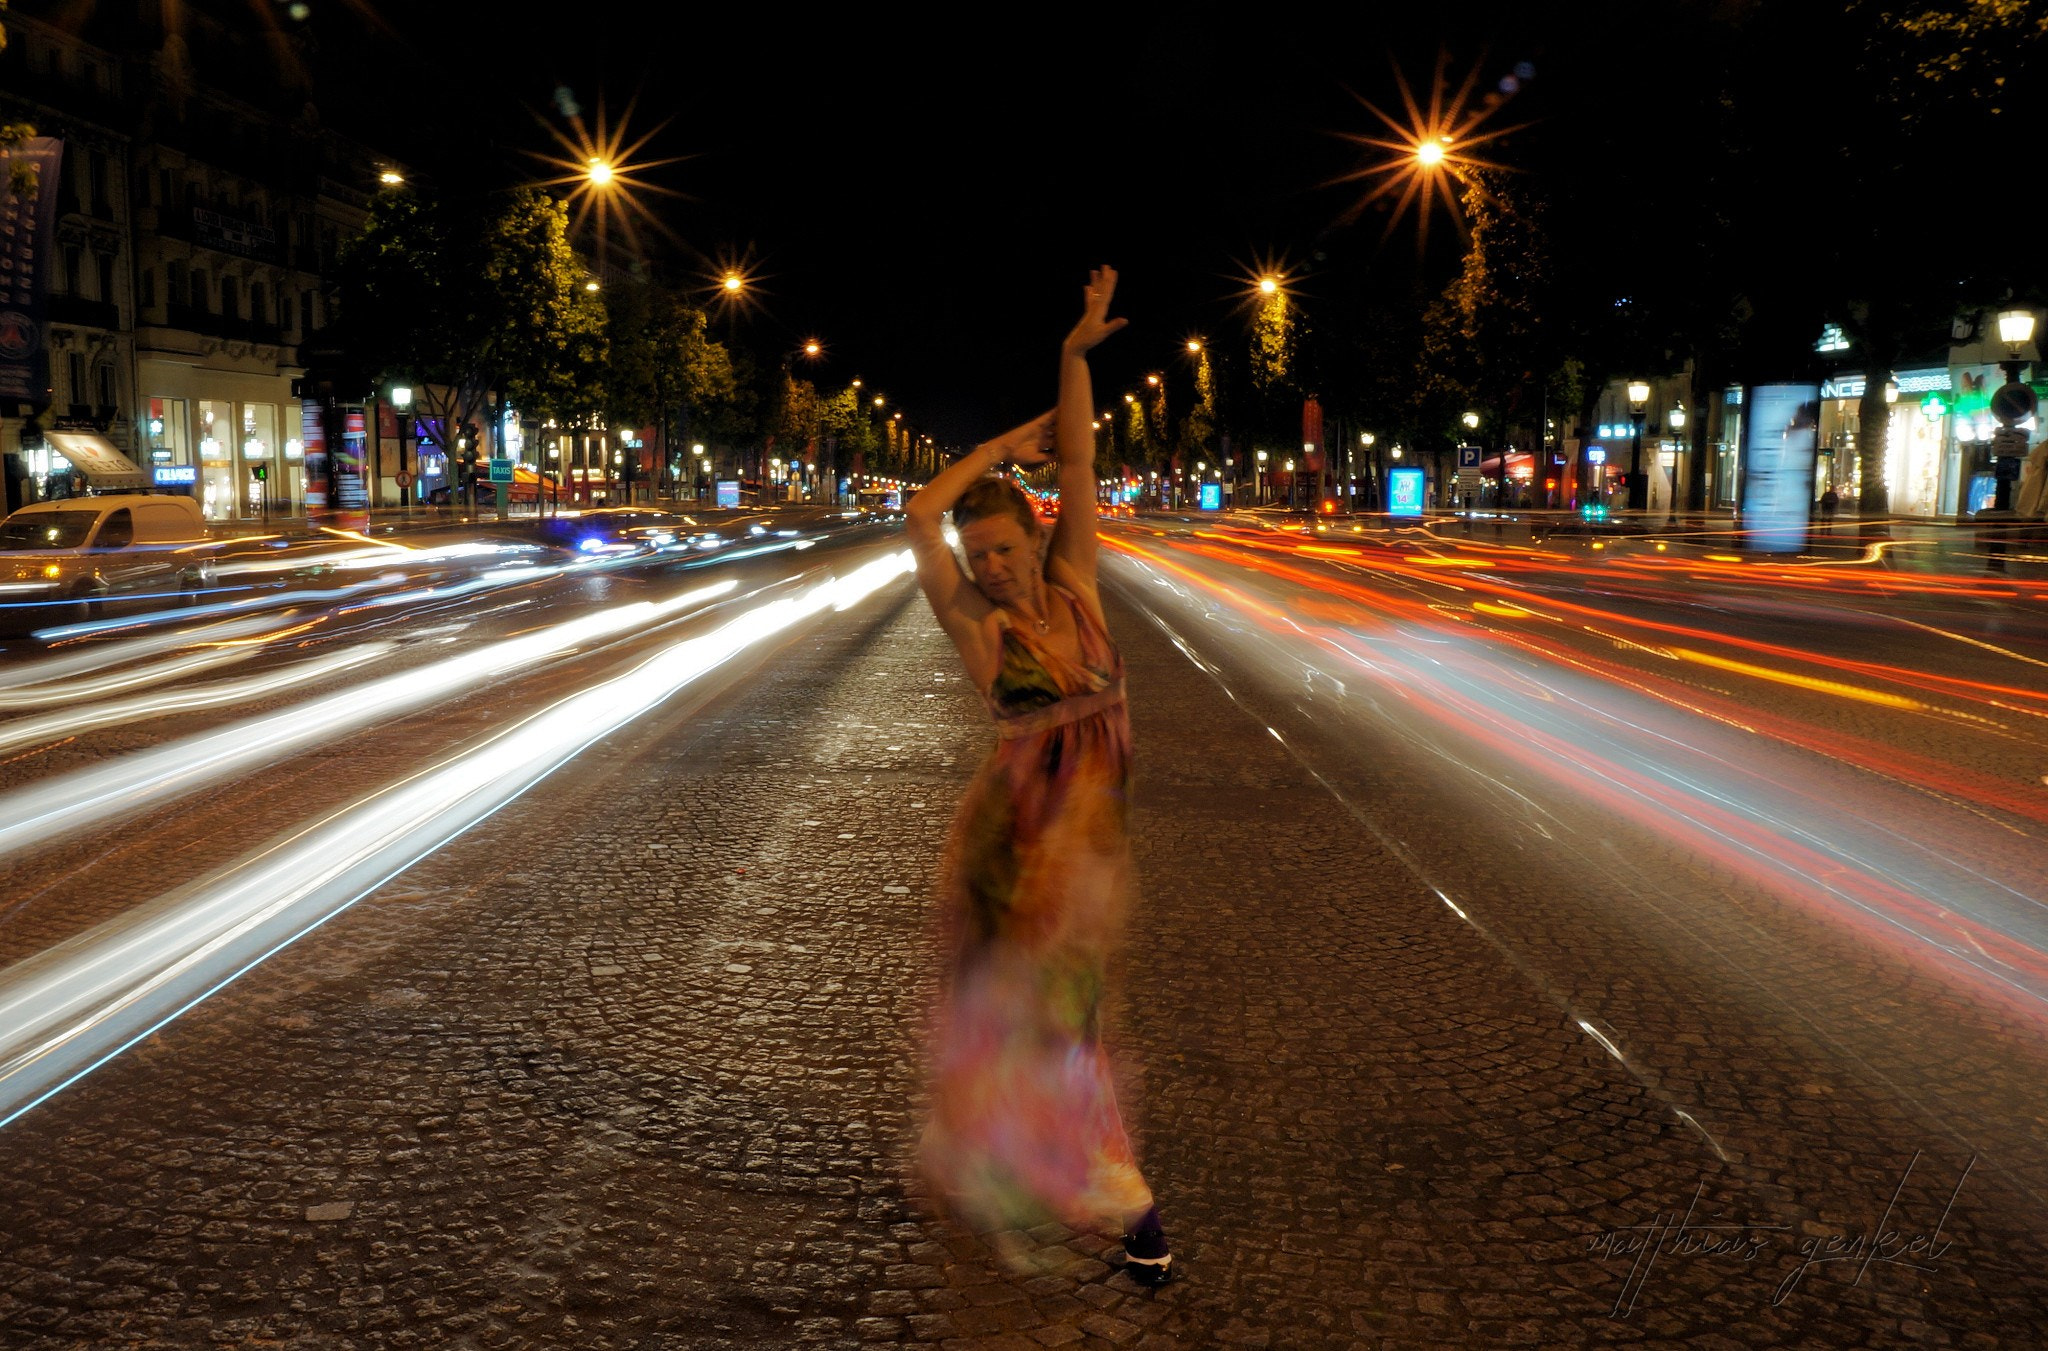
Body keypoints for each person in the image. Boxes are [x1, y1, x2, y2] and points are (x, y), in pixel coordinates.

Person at [904, 266, 1171, 1287]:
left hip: (1084, 837)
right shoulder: (975, 623)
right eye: (980, 556)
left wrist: (1070, 357)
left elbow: (1079, 456)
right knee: (1061, 1020)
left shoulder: (1074, 579)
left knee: (1045, 1019)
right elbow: (919, 520)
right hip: (1020, 840)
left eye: (1004, 547)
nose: (992, 567)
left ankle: (1006, 1155)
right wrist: (982, 456)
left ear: (1035, 536)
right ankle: (1127, 1204)